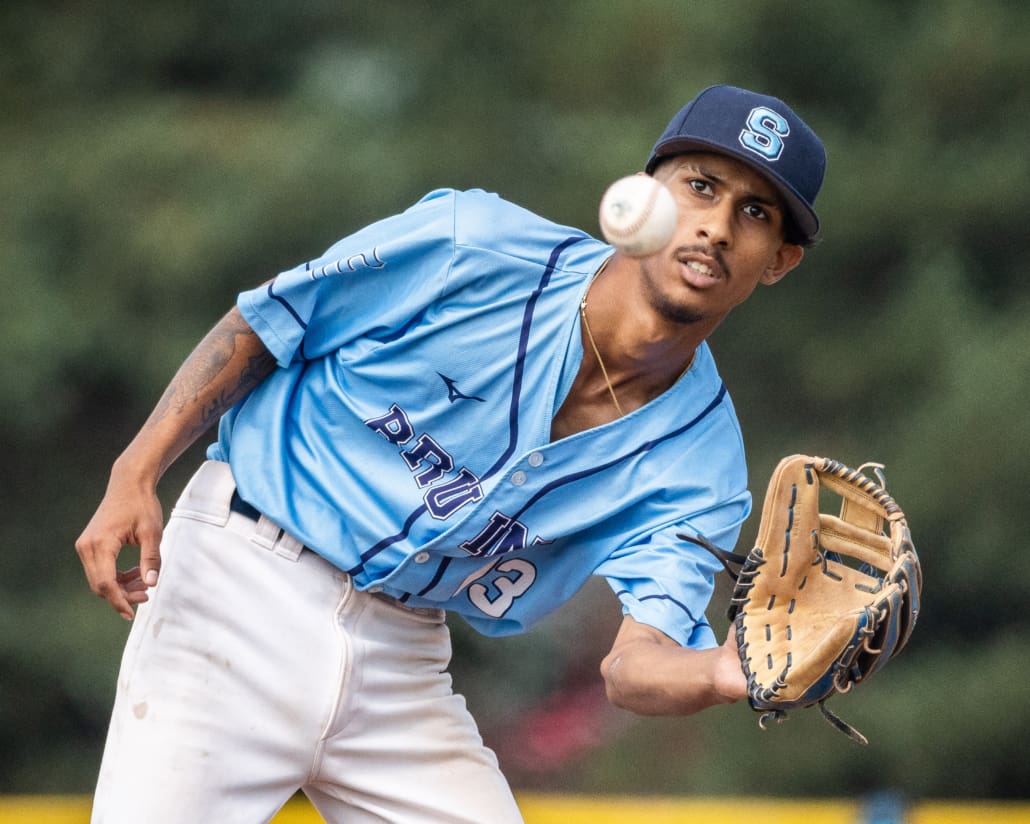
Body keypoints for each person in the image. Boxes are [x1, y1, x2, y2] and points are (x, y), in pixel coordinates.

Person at [76, 84, 826, 823]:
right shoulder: (474, 244)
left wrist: (722, 672)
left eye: (754, 212)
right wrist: (135, 470)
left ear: (779, 261)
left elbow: (635, 665)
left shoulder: (702, 468)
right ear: (645, 191)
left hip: (401, 660)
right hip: (239, 584)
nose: (718, 227)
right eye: (701, 187)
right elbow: (268, 324)